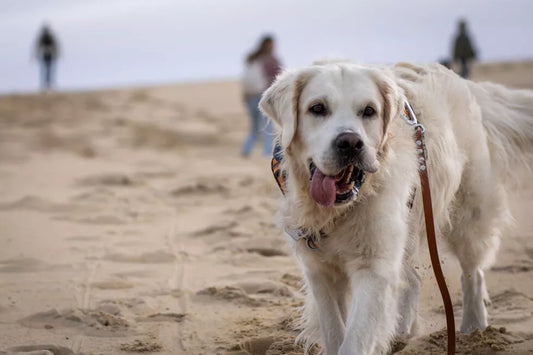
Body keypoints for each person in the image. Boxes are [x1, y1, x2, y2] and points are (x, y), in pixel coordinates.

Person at [241, 35, 281, 157]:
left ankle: (246, 149)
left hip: (249, 96)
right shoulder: (270, 60)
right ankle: (268, 152)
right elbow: (279, 77)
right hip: (263, 95)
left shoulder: (253, 59)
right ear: (269, 44)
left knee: (254, 127)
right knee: (268, 126)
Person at [35, 24, 59, 90]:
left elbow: (55, 46)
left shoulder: (50, 37)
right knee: (45, 70)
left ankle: (49, 84)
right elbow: (38, 46)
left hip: (49, 55)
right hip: (45, 55)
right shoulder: (42, 38)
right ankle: (45, 84)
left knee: (49, 70)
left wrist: (55, 53)